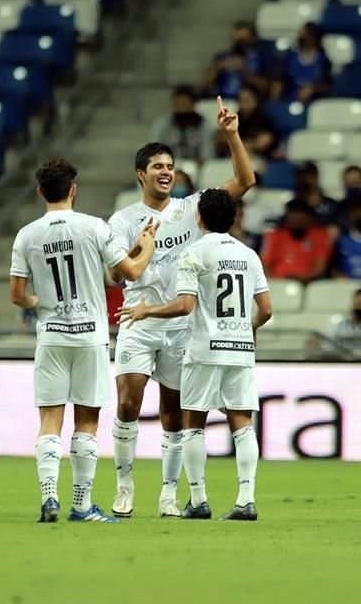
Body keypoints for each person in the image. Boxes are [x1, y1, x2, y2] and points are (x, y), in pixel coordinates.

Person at [108, 98, 256, 519]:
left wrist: (231, 134)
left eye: (170, 165)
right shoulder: (122, 220)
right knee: (127, 403)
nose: (166, 171)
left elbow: (245, 180)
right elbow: (119, 274)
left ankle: (169, 494)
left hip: (180, 324)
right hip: (138, 317)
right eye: (157, 166)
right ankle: (124, 485)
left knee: (174, 411)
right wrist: (143, 246)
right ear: (141, 174)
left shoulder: (191, 208)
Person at [9, 158, 159, 524]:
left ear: (41, 191)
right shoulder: (94, 227)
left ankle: (48, 499)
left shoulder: (27, 235)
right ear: (73, 190)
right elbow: (132, 272)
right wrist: (147, 245)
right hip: (90, 337)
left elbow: (17, 295)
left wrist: (38, 302)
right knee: (87, 422)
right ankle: (81, 504)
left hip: (52, 336)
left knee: (49, 420)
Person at [117, 188, 273, 521]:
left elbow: (184, 305)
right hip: (241, 349)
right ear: (233, 218)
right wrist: (251, 328)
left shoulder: (194, 253)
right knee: (243, 424)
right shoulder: (249, 254)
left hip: (204, 348)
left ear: (199, 217)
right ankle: (246, 498)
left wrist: (148, 311)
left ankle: (198, 500)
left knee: (193, 424)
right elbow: (267, 309)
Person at [261, 198, 332, 282]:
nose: (297, 222)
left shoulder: (320, 236)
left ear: (309, 218)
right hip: (277, 283)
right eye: (293, 218)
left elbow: (320, 268)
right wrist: (275, 283)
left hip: (307, 285)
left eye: (300, 219)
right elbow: (264, 266)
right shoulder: (274, 236)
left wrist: (301, 279)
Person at [200, 20, 270, 99]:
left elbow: (265, 88)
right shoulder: (222, 57)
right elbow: (203, 85)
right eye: (237, 39)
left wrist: (244, 70)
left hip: (248, 103)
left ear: (252, 38)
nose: (240, 43)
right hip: (223, 102)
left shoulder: (260, 58)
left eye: (243, 39)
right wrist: (218, 67)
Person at [274, 22, 332, 103]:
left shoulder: (324, 60)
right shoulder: (289, 57)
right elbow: (279, 80)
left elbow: (327, 85)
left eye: (306, 35)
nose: (302, 37)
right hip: (289, 99)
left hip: (313, 102)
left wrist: (312, 88)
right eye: (301, 34)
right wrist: (275, 100)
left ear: (314, 39)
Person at [149, 85, 210, 163]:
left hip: (196, 166)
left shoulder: (203, 124)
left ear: (192, 105)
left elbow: (207, 153)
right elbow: (154, 151)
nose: (181, 109)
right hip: (169, 165)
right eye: (178, 104)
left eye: (184, 104)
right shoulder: (162, 124)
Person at [215, 84, 277, 160]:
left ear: (256, 100)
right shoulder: (234, 118)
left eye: (247, 100)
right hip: (234, 158)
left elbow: (262, 143)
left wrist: (236, 143)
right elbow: (222, 139)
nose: (244, 104)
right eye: (241, 100)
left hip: (259, 159)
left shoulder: (265, 120)